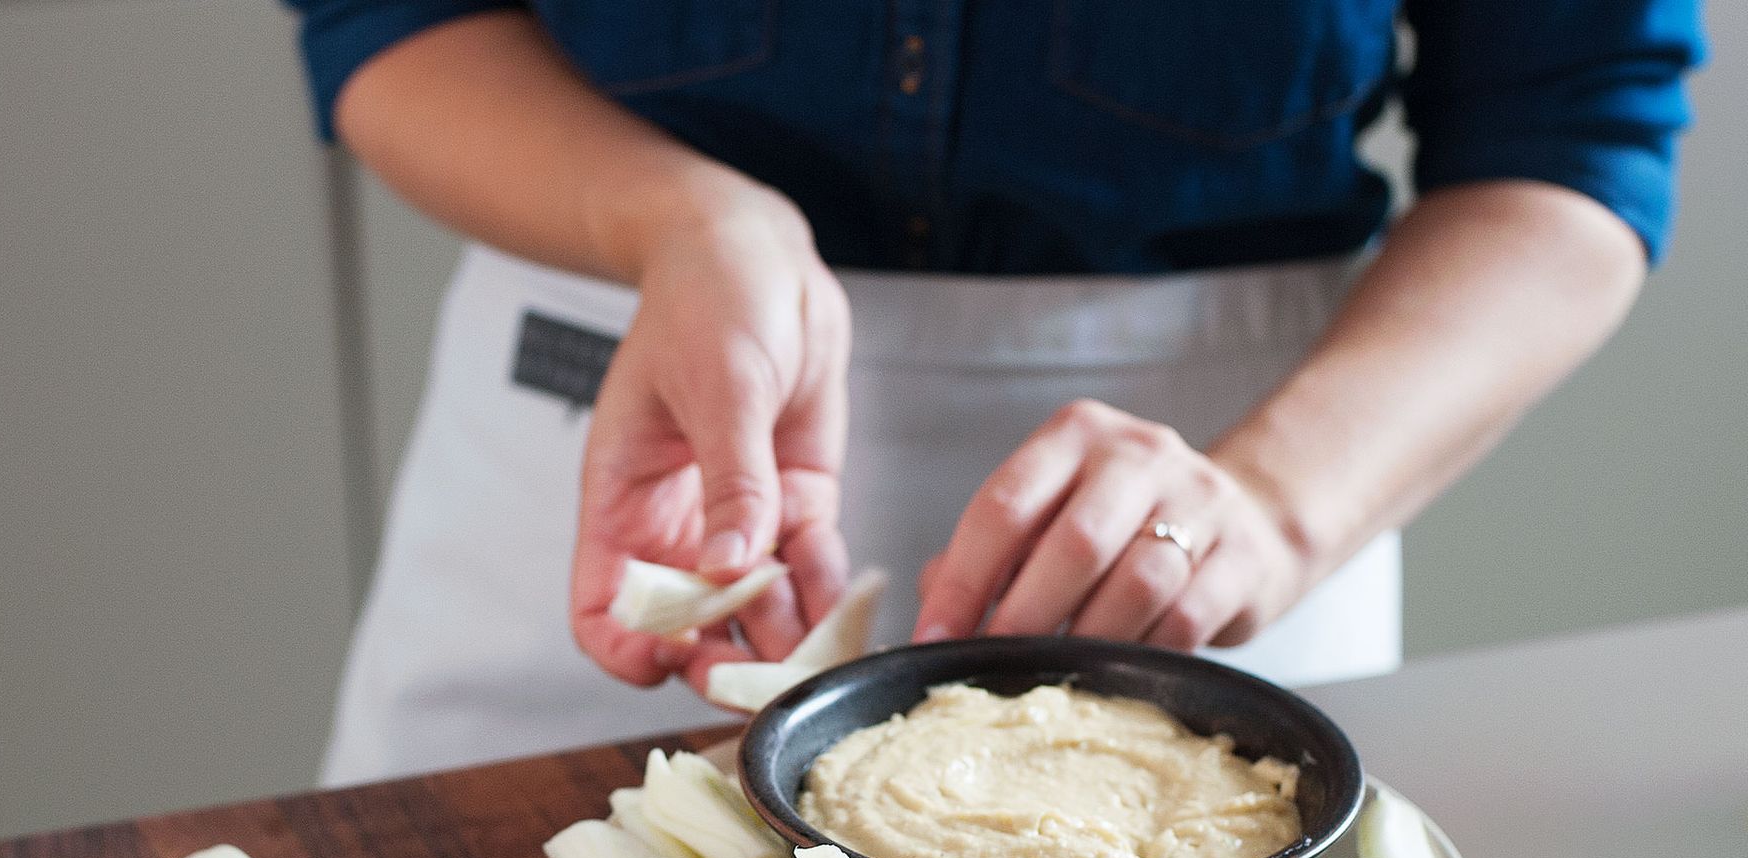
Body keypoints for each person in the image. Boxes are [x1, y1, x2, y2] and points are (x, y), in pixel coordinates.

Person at [283, 2, 1702, 787]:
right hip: (636, 417)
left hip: (1213, 522)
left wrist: (1273, 506)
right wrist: (678, 221)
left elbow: (1575, 132)